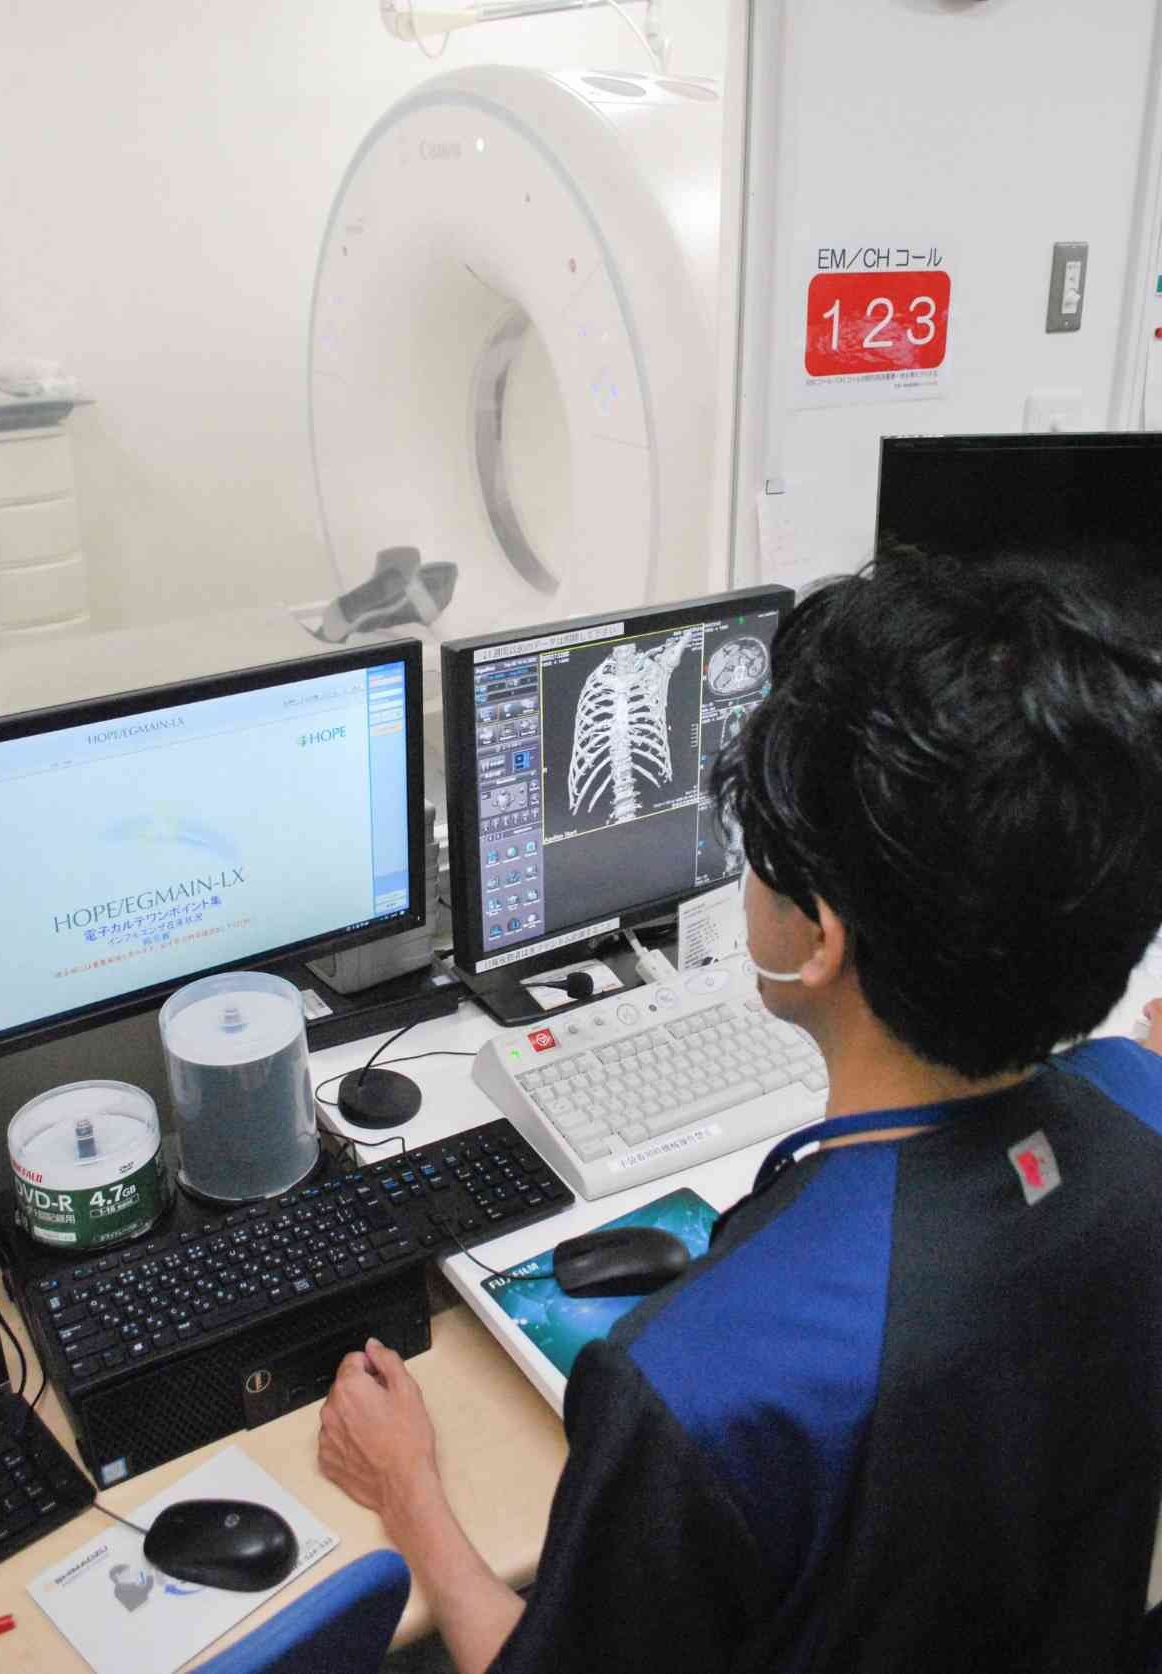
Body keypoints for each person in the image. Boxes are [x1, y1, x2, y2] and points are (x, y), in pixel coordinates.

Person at [318, 553, 1162, 1673]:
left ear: (816, 937)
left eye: (755, 853)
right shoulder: (1142, 1122)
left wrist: (408, 1490)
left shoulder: (698, 1384)